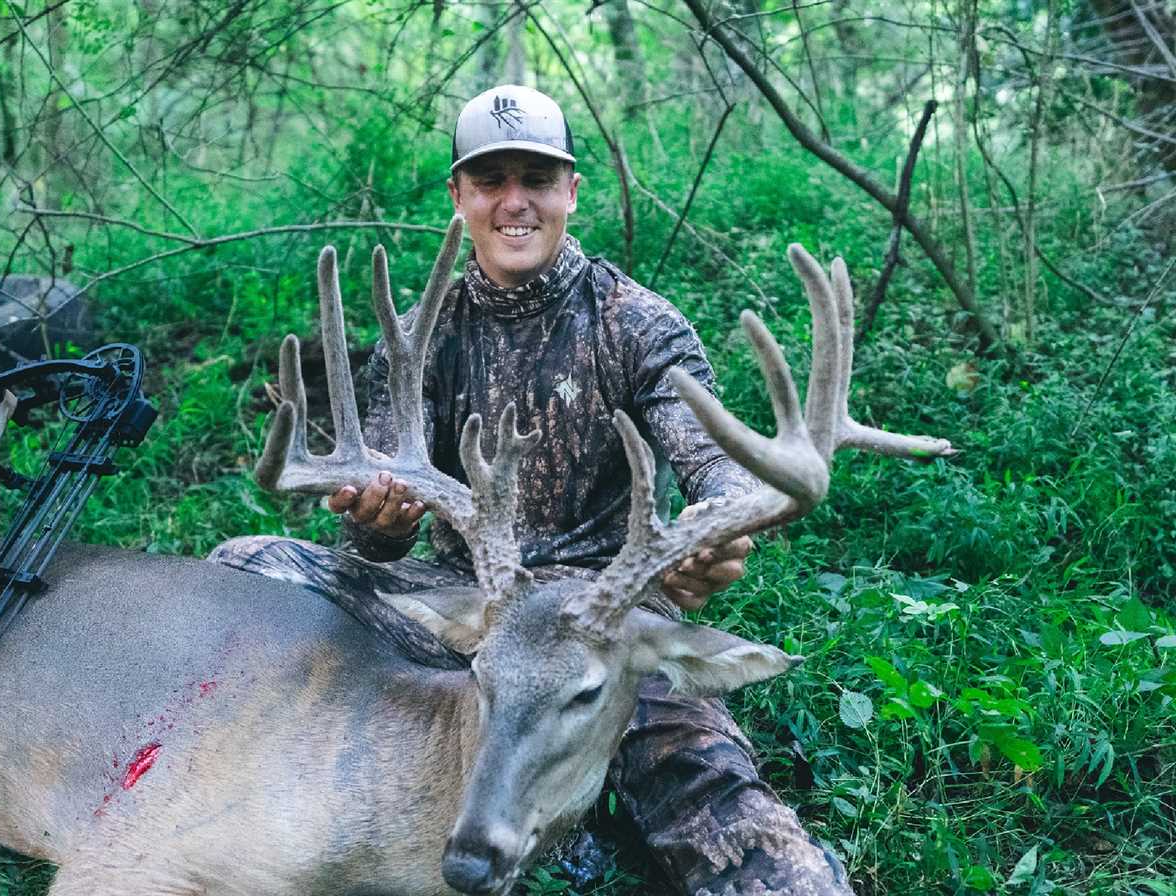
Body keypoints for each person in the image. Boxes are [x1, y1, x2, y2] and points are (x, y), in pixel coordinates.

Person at [211, 85, 851, 896]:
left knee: (755, 855)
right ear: (460, 196)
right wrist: (379, 527)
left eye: (538, 179)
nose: (515, 203)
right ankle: (270, 749)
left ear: (571, 191)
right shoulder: (423, 335)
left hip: (604, 626)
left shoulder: (640, 323)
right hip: (470, 610)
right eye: (491, 181)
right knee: (244, 563)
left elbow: (711, 459)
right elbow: (371, 534)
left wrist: (716, 528)